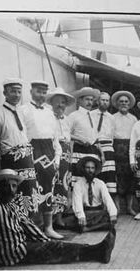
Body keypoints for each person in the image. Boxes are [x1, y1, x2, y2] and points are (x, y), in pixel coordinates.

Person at [0, 169, 116, 270]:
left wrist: (45, 241)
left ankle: (97, 251)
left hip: (21, 245)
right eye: (6, 186)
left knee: (54, 247)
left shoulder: (12, 204)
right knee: (55, 249)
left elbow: (27, 225)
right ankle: (98, 251)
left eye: (14, 186)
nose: (11, 190)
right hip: (12, 254)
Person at [20, 80, 63, 239]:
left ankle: (48, 227)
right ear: (31, 92)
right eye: (38, 91)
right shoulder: (23, 110)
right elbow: (22, 135)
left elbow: (55, 137)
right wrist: (28, 157)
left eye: (44, 92)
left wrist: (57, 158)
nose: (41, 95)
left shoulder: (49, 111)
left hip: (49, 153)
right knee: (31, 189)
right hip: (32, 151)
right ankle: (31, 228)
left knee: (48, 189)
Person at [0, 78, 39, 215]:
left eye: (19, 91)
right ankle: (15, 230)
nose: (16, 95)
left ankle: (29, 229)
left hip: (27, 162)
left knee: (29, 195)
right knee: (14, 197)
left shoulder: (22, 112)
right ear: (5, 93)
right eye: (12, 91)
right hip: (11, 163)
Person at [45, 87, 76, 229]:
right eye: (57, 102)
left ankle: (59, 217)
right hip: (53, 153)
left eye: (63, 102)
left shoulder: (67, 120)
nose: (60, 105)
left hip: (66, 154)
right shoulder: (48, 116)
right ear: (52, 103)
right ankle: (49, 219)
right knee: (53, 184)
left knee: (64, 185)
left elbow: (69, 138)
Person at [72, 156, 118, 233]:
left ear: (95, 169)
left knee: (111, 217)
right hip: (86, 213)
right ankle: (92, 227)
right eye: (88, 168)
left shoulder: (100, 183)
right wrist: (81, 216)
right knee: (76, 220)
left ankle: (88, 229)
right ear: (83, 169)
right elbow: (77, 202)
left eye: (92, 168)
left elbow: (107, 199)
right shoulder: (78, 184)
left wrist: (113, 214)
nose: (90, 170)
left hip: (98, 213)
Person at [90, 92, 119, 210]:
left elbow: (112, 135)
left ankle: (109, 206)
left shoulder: (112, 118)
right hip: (95, 146)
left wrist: (108, 149)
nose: (105, 102)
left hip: (108, 148)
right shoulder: (91, 115)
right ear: (98, 101)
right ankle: (95, 203)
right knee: (96, 173)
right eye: (102, 100)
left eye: (107, 100)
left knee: (109, 176)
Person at [67, 87, 103, 182]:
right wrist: (79, 139)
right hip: (79, 151)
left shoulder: (93, 116)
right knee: (78, 180)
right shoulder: (73, 116)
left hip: (93, 152)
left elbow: (96, 138)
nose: (90, 102)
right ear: (80, 100)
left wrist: (102, 154)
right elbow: (66, 133)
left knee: (91, 181)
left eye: (91, 100)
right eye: (87, 99)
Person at [111, 90, 138, 216]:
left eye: (126, 102)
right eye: (121, 101)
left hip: (129, 149)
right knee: (117, 178)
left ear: (129, 104)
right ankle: (117, 208)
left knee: (130, 179)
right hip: (116, 149)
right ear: (117, 104)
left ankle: (129, 207)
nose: (124, 103)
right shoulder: (112, 118)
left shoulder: (133, 119)